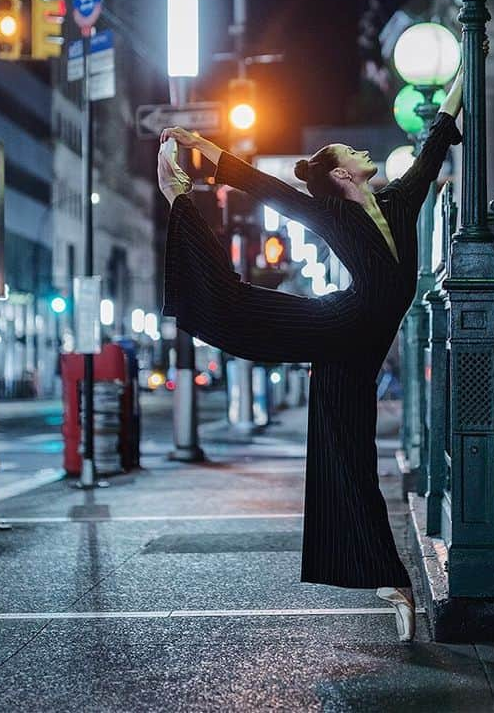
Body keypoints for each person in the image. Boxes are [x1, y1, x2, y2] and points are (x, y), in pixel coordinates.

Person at [157, 63, 466, 643]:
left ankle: (387, 579)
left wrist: (470, 69)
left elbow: (437, 139)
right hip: (335, 323)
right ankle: (177, 200)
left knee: (350, 457)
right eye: (351, 149)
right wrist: (202, 148)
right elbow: (267, 188)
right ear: (342, 173)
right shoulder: (329, 214)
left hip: (356, 347)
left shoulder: (400, 202)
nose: (361, 150)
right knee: (236, 304)